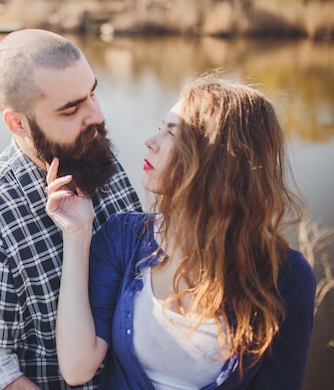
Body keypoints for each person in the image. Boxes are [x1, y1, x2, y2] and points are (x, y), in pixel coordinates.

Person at [45, 76, 316, 389]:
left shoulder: (286, 277)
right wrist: (77, 234)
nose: (151, 141)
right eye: (161, 127)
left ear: (217, 160)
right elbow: (77, 368)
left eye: (171, 133)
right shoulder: (124, 238)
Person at [0, 28, 142, 390]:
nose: (96, 116)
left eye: (92, 93)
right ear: (17, 123)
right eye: (71, 109)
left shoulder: (96, 155)